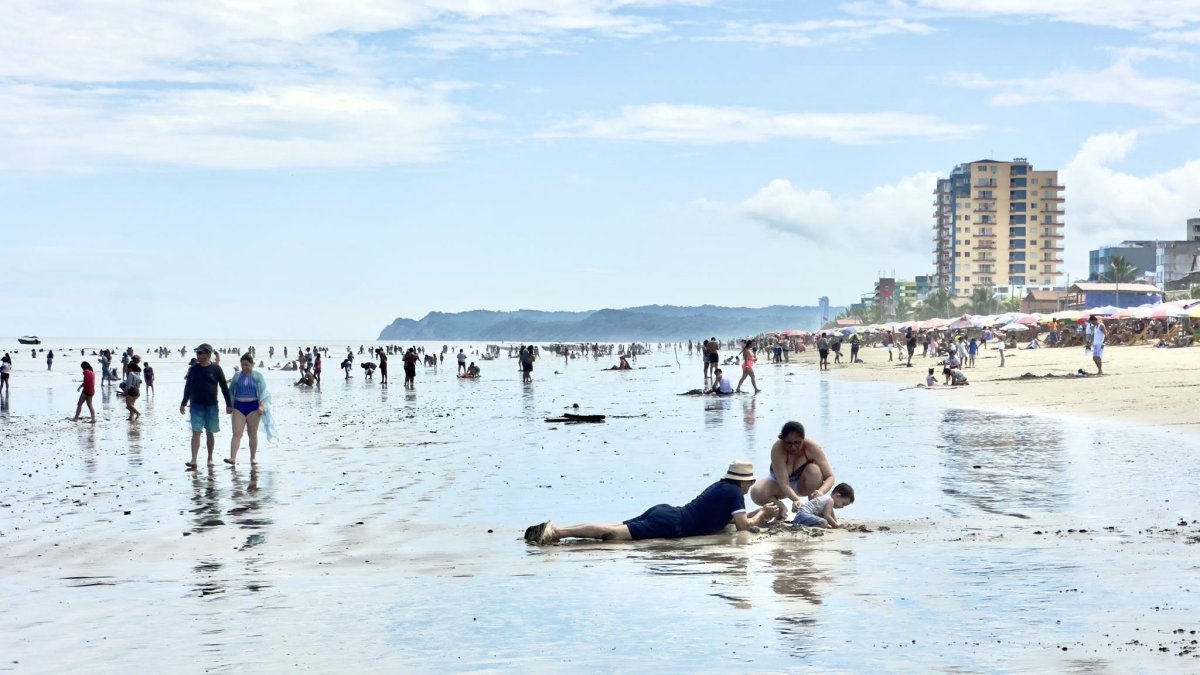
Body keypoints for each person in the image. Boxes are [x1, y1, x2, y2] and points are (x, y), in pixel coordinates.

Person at [523, 460, 780, 544]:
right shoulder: (734, 493)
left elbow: (734, 521)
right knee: (612, 534)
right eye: (750, 481)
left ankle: (558, 529)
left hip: (667, 513)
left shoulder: (724, 488)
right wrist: (761, 516)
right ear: (743, 481)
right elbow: (743, 527)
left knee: (611, 528)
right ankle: (557, 532)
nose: (751, 485)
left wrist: (760, 512)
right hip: (672, 525)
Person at [750, 421, 836, 520]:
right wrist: (796, 500)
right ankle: (780, 508)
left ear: (803, 439)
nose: (793, 447)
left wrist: (821, 492)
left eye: (797, 442)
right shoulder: (777, 448)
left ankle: (814, 509)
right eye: (789, 443)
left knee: (814, 470)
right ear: (783, 440)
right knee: (756, 492)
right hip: (779, 485)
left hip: (803, 484)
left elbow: (830, 477)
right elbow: (784, 483)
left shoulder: (812, 447)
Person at [180, 343, 232, 470]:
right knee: (196, 432)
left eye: (200, 353)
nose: (197, 355)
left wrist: (229, 404)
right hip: (196, 406)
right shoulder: (193, 369)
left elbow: (224, 387)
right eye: (197, 353)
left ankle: (210, 458)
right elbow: (188, 387)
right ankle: (193, 460)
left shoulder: (216, 369)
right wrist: (183, 403)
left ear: (208, 354)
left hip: (211, 406)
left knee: (210, 432)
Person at [226, 353, 275, 466]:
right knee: (236, 433)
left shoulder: (258, 376)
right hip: (238, 407)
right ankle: (232, 458)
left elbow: (263, 393)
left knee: (252, 434)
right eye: (242, 365)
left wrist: (261, 406)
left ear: (252, 364)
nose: (244, 367)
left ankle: (253, 458)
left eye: (247, 365)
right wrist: (230, 405)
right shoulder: (237, 376)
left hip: (253, 408)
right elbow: (231, 391)